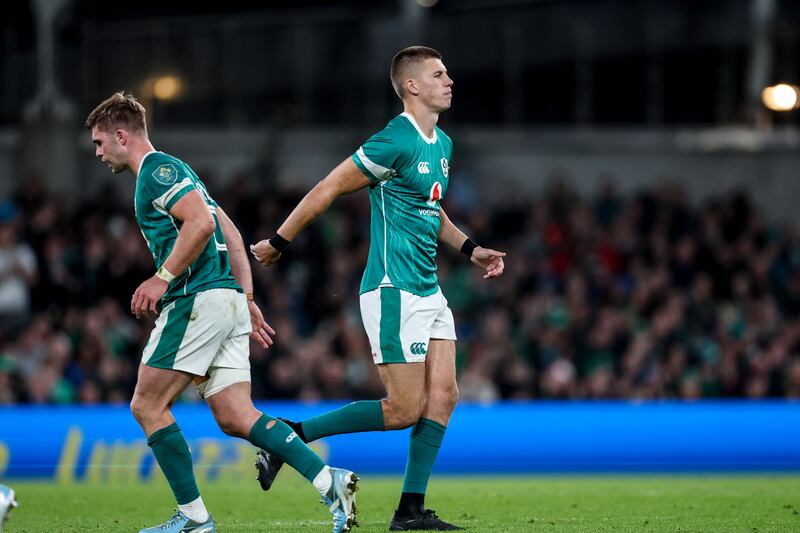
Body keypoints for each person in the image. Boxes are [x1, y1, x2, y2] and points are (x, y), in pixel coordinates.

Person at [251, 46, 506, 531]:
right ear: (412, 86)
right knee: (404, 409)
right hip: (393, 290)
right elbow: (328, 185)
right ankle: (287, 435)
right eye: (439, 73)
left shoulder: (443, 145)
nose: (450, 80)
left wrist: (472, 250)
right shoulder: (394, 140)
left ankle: (410, 511)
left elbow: (433, 212)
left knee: (444, 396)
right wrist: (280, 241)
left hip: (428, 290)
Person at [85, 92, 358, 533]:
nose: (97, 153)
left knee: (147, 404)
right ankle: (331, 482)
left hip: (197, 299)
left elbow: (205, 224)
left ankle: (194, 519)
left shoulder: (156, 171)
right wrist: (246, 299)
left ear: (121, 135)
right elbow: (230, 230)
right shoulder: (182, 172)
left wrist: (162, 276)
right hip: (225, 299)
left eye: (100, 143)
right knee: (236, 415)